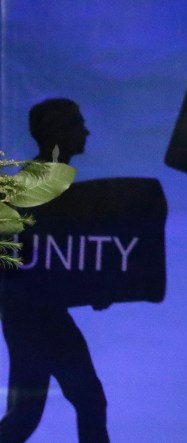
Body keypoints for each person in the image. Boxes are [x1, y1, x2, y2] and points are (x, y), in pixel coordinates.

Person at [0, 98, 110, 442]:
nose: (86, 131)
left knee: (85, 400)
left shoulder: (53, 183)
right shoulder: (35, 186)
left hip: (42, 314)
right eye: (78, 124)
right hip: (31, 316)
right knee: (29, 413)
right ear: (58, 133)